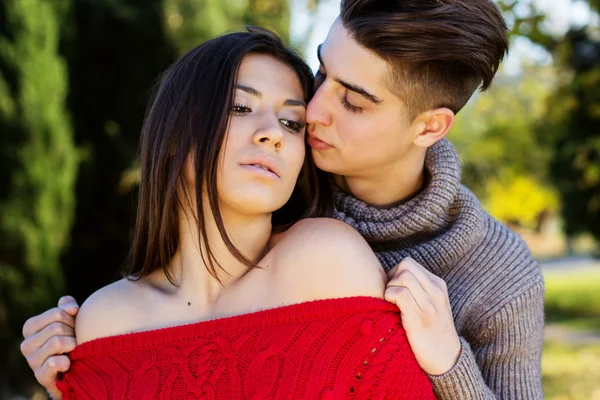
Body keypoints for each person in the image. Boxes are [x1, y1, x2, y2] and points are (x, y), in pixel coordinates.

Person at [21, 0, 545, 398]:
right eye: (322, 73)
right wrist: (81, 367)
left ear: (429, 126)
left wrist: (448, 363)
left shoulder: (498, 275)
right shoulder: (270, 184)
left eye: (353, 101)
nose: (312, 111)